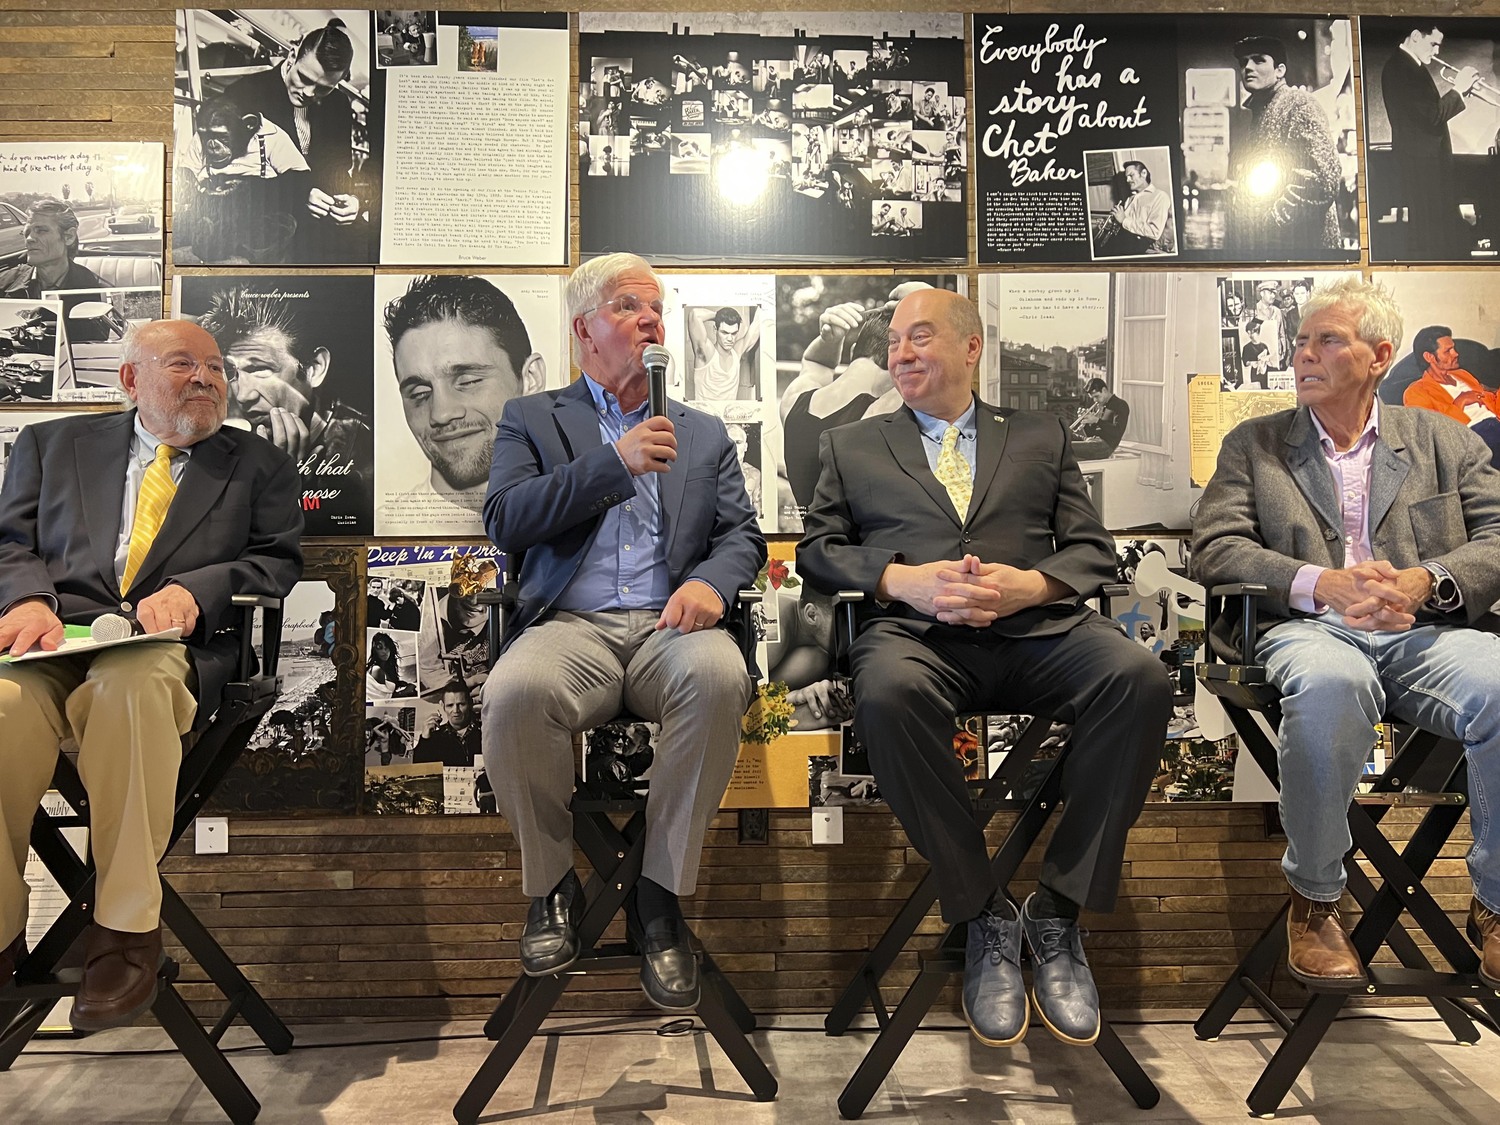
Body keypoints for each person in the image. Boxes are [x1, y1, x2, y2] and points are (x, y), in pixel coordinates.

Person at [797, 288, 1171, 1050]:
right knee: (890, 691)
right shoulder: (852, 445)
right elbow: (816, 550)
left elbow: (1094, 551)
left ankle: (1058, 912)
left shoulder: (1041, 434)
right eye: (894, 340)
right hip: (916, 637)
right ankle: (983, 913)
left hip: (1040, 631)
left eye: (919, 337)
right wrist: (903, 580)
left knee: (1140, 678)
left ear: (970, 348)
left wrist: (1031, 584)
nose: (900, 352)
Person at [1191, 276, 1500, 991]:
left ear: (1379, 356)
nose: (1303, 353)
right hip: (1308, 629)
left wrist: (1427, 582)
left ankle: (1494, 905)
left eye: (1327, 339)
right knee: (1331, 685)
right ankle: (1316, 901)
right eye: (1300, 340)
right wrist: (1320, 580)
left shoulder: (1445, 441)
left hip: (1423, 633)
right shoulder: (1253, 445)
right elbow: (1216, 548)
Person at [480, 253, 766, 1010]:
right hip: (571, 627)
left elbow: (743, 534)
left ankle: (660, 898)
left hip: (671, 628)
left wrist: (711, 581)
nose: (651, 320)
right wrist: (614, 463)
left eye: (657, 309)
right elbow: (506, 517)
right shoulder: (532, 417)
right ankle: (550, 889)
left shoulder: (701, 432)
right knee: (514, 690)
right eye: (631, 307)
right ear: (584, 328)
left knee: (719, 674)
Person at [0, 319, 302, 1029]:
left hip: (165, 651)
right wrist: (28, 598)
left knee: (127, 691)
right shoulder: (50, 445)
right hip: (55, 642)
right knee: (3, 704)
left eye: (215, 367)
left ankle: (126, 931)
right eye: (181, 364)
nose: (204, 377)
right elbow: (8, 541)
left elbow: (275, 562)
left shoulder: (259, 464)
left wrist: (200, 589)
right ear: (131, 379)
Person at [382, 274, 547, 535]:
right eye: (420, 393)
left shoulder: (583, 517)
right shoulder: (389, 528)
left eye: (468, 381)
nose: (441, 413)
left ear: (530, 379)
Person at [197, 284, 371, 511]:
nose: (242, 395)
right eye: (232, 372)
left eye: (259, 369)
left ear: (315, 368)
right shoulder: (228, 441)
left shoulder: (369, 454)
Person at [224, 18, 377, 262]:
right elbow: (229, 180)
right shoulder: (244, 95)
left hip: (320, 226)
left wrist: (354, 201)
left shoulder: (337, 103)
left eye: (324, 88)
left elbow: (338, 170)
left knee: (369, 251)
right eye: (305, 78)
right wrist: (300, 194)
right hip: (265, 223)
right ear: (293, 55)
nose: (309, 93)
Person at [1229, 36, 1342, 254]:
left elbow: (1322, 179)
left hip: (1304, 247)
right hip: (1282, 247)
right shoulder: (1262, 110)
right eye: (1243, 62)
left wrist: (1272, 222)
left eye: (1258, 60)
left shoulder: (1298, 103)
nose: (1248, 68)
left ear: (1280, 70)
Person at [1382, 24, 1477, 260]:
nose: (1436, 52)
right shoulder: (1400, 67)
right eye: (1433, 44)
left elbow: (1428, 114)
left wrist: (1460, 94)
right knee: (1433, 236)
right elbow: (1432, 115)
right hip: (1421, 166)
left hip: (1426, 163)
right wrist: (1458, 91)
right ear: (1415, 36)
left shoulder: (1410, 65)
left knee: (1441, 230)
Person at [1403, 325, 1500, 467]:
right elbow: (1430, 433)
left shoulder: (1462, 374)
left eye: (1453, 348)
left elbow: (1490, 399)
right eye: (1448, 351)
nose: (1455, 354)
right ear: (1429, 357)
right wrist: (1459, 403)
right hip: (1472, 436)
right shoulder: (1417, 391)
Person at [0, 198, 108, 310]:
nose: (29, 239)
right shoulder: (4, 284)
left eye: (41, 231)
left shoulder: (97, 292)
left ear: (69, 237)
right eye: (27, 232)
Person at [1093, 161, 1170, 257]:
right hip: (1122, 240)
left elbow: (1154, 232)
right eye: (1126, 177)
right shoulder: (1129, 199)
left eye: (1131, 175)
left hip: (1137, 245)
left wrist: (1123, 220)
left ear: (1144, 173)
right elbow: (1122, 225)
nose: (1128, 180)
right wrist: (1108, 225)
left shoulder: (1159, 196)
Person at [685, 306, 759, 402]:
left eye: (734, 333)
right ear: (715, 329)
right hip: (705, 414)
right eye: (724, 332)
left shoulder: (736, 352)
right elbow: (694, 315)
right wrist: (721, 316)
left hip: (727, 415)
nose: (730, 339)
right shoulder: (707, 353)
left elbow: (758, 324)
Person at [412, 682, 481, 767]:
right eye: (450, 705)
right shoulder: (434, 738)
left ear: (470, 703)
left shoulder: (485, 731)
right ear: (442, 705)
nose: (456, 710)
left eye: (461, 704)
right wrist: (425, 739)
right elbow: (419, 770)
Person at [1070, 378, 1131, 460]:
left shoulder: (1120, 405)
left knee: (1063, 447)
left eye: (1097, 396)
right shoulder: (1101, 406)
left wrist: (1096, 420)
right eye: (1093, 398)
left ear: (1104, 390)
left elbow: (1117, 432)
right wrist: (1085, 421)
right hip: (1092, 441)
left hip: (1105, 446)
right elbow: (1091, 434)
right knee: (1063, 437)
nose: (1095, 400)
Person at [366, 630, 416, 700]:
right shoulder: (376, 669)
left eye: (386, 647)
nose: (384, 651)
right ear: (374, 650)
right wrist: (407, 690)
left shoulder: (387, 668)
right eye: (379, 647)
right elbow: (385, 699)